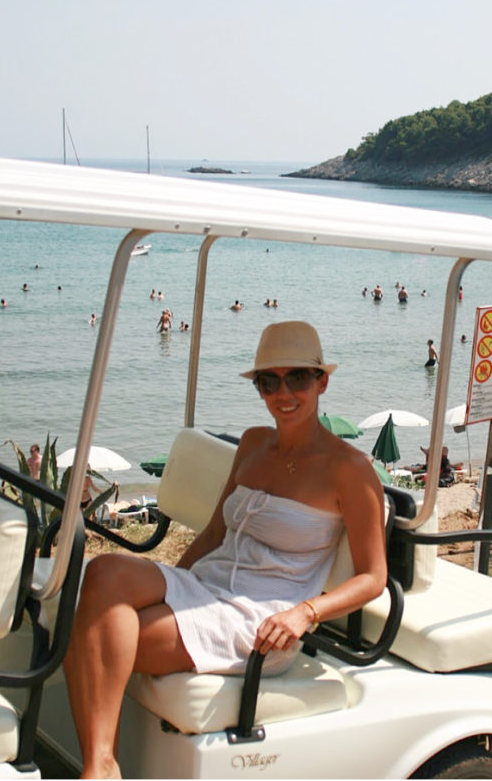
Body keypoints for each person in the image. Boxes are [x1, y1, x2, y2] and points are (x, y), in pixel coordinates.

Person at [63, 321, 387, 779]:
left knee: (111, 631)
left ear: (321, 382)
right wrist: (168, 586)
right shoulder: (254, 442)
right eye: (268, 381)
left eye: (297, 377)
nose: (283, 393)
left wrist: (305, 614)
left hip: (263, 620)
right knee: (105, 573)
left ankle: (97, 769)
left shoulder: (350, 470)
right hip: (206, 584)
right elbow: (216, 531)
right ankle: (102, 766)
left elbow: (372, 577)